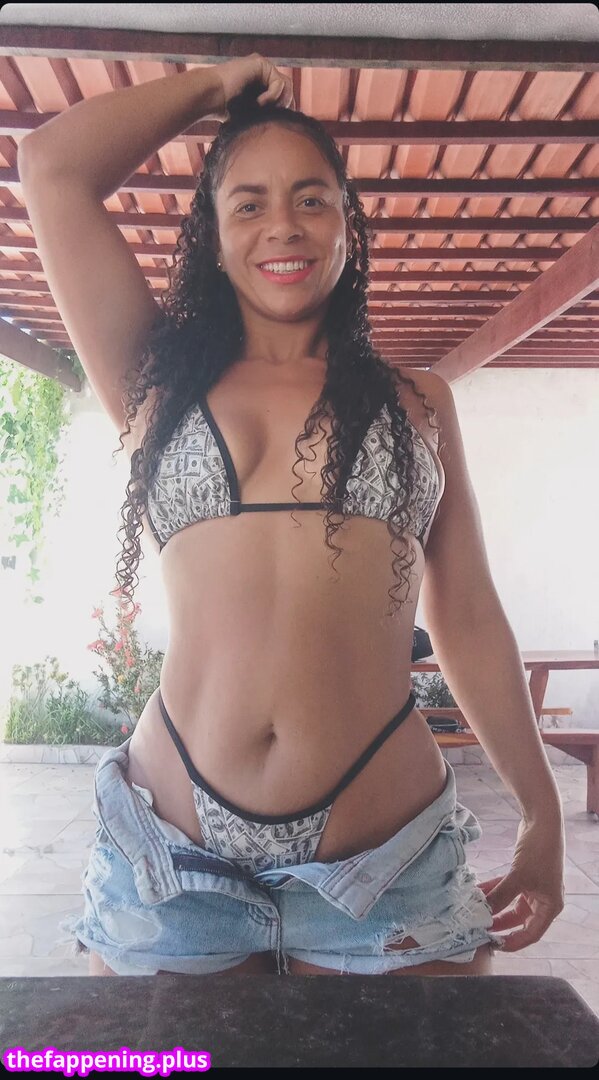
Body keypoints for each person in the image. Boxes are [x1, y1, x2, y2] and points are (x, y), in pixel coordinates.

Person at [18, 53, 565, 978]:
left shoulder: (418, 402)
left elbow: (467, 614)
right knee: (154, 1053)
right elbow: (52, 167)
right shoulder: (153, 380)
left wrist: (540, 813)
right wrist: (214, 87)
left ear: (349, 223)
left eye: (312, 199)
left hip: (387, 863)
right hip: (172, 861)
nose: (283, 225)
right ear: (213, 236)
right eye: (249, 203)